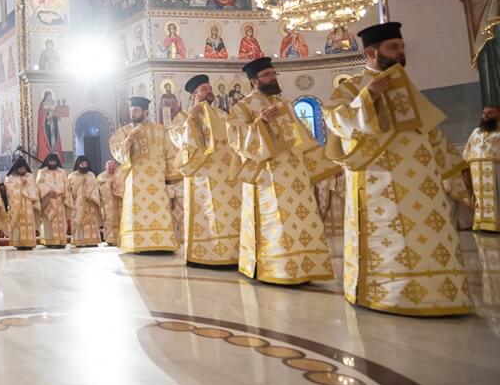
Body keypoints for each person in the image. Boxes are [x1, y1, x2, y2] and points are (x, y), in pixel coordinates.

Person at [326, 23, 472, 315]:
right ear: (371, 52)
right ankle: (390, 293)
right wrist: (368, 97)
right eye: (394, 48)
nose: (401, 52)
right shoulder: (352, 87)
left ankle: (440, 292)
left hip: (424, 184)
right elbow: (335, 120)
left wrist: (456, 169)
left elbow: (428, 130)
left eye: (402, 47)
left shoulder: (406, 84)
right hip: (380, 182)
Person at [228, 57, 336, 285]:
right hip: (268, 173)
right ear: (254, 81)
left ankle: (304, 265)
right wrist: (260, 123)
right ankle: (276, 267)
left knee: (302, 216)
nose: (273, 78)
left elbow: (304, 137)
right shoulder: (243, 107)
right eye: (267, 75)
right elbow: (236, 139)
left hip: (295, 171)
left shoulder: (285, 103)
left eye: (274, 74)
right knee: (275, 219)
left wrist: (322, 163)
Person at [169, 74, 241, 268]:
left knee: (232, 213)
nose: (209, 92)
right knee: (208, 213)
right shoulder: (183, 116)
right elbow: (178, 140)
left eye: (210, 89)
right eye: (204, 89)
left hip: (228, 173)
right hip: (203, 174)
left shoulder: (224, 114)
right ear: (194, 94)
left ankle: (235, 253)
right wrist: (192, 118)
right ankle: (209, 255)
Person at [110, 97, 179, 253]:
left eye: (136, 111)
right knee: (137, 213)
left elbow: (171, 153)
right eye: (131, 111)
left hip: (158, 180)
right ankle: (138, 244)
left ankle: (162, 243)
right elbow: (117, 153)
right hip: (135, 182)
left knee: (160, 212)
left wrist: (170, 179)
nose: (132, 114)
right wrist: (128, 141)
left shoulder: (161, 130)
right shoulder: (124, 132)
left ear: (146, 112)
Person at [464, 106, 500, 233]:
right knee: (480, 197)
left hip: (495, 167)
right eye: (484, 113)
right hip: (476, 169)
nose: (485, 116)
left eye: (490, 113)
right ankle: (481, 223)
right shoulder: (476, 132)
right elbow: (468, 149)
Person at [66, 156, 103, 247]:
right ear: (78, 164)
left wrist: (92, 196)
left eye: (85, 164)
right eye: (82, 164)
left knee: (90, 222)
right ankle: (79, 241)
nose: (84, 166)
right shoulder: (72, 176)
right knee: (78, 222)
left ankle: (92, 241)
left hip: (90, 203)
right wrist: (72, 201)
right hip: (77, 203)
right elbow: (68, 190)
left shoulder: (91, 175)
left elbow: (95, 188)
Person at [36, 153, 71, 248]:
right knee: (49, 221)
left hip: (59, 200)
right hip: (48, 200)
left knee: (61, 221)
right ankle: (50, 241)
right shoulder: (42, 172)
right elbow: (39, 184)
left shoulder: (62, 171)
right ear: (47, 161)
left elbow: (66, 185)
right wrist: (48, 192)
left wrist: (66, 197)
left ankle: (61, 241)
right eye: (51, 161)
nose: (52, 163)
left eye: (54, 161)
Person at [5, 159, 39, 249]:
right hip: (16, 205)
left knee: (29, 223)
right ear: (17, 169)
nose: (22, 171)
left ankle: (29, 243)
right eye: (20, 169)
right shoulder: (11, 177)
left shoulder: (30, 176)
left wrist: (23, 187)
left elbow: (34, 189)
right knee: (19, 224)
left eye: (24, 169)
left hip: (28, 203)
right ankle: (18, 243)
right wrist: (20, 184)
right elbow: (9, 190)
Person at [97, 159, 122, 246]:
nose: (111, 171)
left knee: (120, 220)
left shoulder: (120, 175)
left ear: (116, 167)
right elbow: (99, 190)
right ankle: (110, 239)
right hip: (107, 203)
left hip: (119, 202)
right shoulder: (101, 177)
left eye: (112, 169)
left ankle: (120, 239)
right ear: (105, 168)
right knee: (109, 220)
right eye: (109, 169)